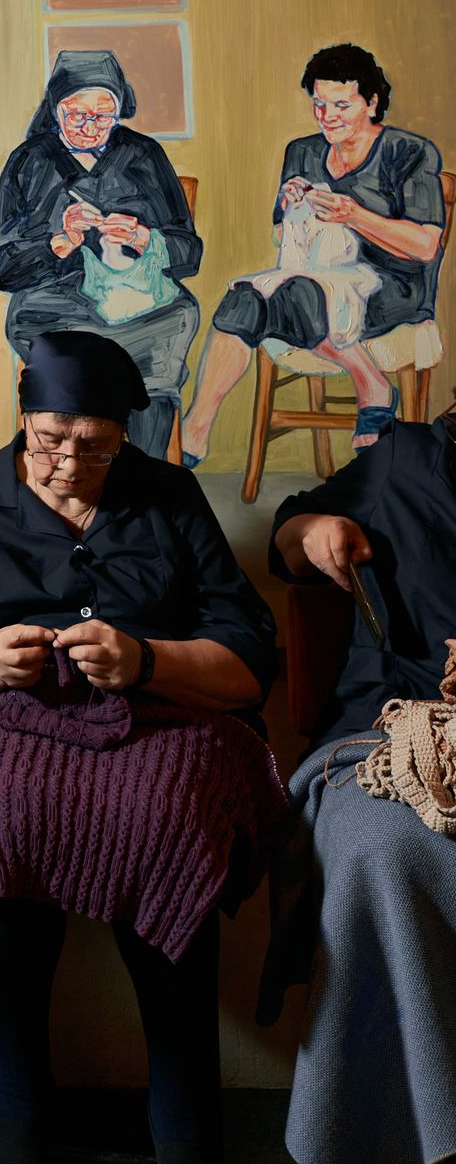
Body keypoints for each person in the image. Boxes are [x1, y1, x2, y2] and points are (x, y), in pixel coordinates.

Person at [0, 331, 280, 1164]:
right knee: (0, 801)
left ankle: (183, 1108)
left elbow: (249, 657)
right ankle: (20, 1090)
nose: (68, 465)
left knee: (173, 810)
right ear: (23, 416)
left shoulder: (169, 494)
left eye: (96, 448)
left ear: (125, 435)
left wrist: (148, 659)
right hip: (6, 718)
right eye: (49, 442)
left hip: (159, 717)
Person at [263, 407, 456, 1164]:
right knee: (380, 849)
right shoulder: (408, 460)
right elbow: (286, 534)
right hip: (388, 726)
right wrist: (313, 532)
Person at [182, 44, 445, 463]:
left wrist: (355, 216)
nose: (327, 116)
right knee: (243, 299)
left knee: (297, 292)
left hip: (391, 288)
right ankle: (195, 429)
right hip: (312, 278)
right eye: (319, 104)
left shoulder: (408, 151)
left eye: (341, 105)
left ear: (372, 102)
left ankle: (371, 383)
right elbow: (281, 237)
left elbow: (425, 247)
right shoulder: (302, 152)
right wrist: (291, 206)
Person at [0, 52, 202, 461]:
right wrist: (61, 242)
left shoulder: (143, 154)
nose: (90, 127)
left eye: (103, 117)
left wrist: (144, 238)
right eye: (77, 116)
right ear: (56, 109)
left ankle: (146, 480)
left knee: (161, 346)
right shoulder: (29, 160)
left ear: (120, 110)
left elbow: (189, 254)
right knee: (73, 364)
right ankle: (68, 478)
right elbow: (4, 270)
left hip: (144, 307)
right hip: (56, 306)